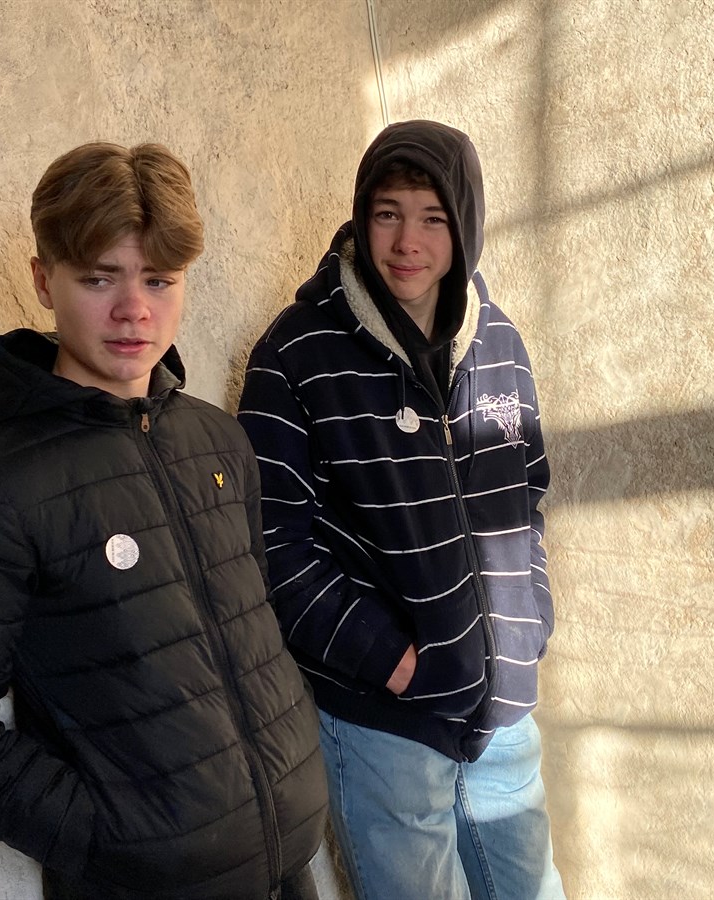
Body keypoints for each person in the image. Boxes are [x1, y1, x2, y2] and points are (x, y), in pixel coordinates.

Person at [0, 141, 326, 900]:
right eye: (99, 278)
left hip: (289, 865)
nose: (134, 310)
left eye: (160, 279)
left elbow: (254, 635)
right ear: (42, 280)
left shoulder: (220, 443)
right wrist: (109, 839)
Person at [237, 120, 564, 900]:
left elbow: (527, 497)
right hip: (385, 721)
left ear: (465, 225)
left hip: (503, 711)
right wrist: (386, 658)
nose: (407, 241)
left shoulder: (500, 342)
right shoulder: (295, 354)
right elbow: (269, 543)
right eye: (387, 213)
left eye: (432, 217)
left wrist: (528, 621)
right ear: (362, 216)